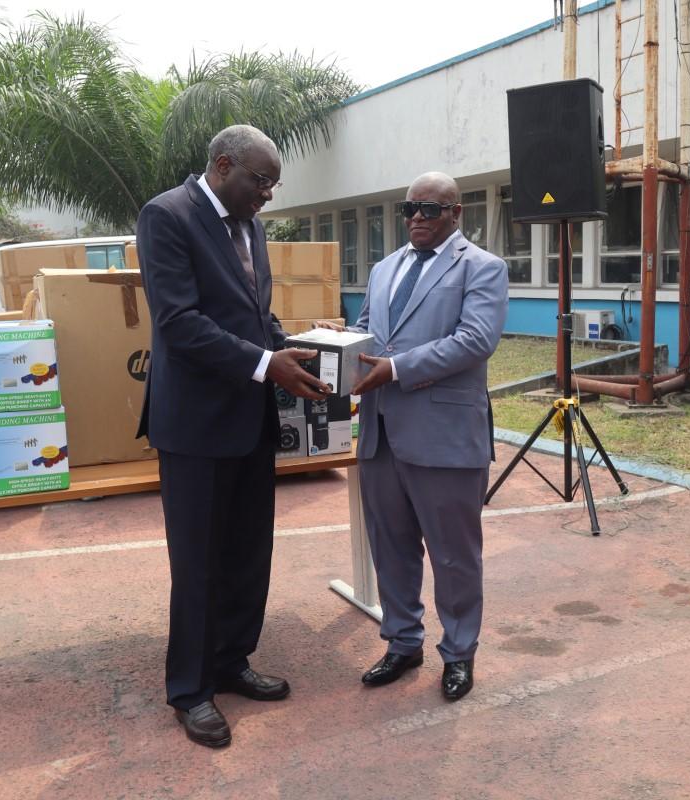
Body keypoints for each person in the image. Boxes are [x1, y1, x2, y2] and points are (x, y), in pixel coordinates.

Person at [136, 124, 328, 748]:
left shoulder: (251, 226)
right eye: (261, 181)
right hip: (195, 426)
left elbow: (252, 313)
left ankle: (231, 661)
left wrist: (293, 347)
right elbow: (179, 322)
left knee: (248, 552)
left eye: (273, 185)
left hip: (250, 419)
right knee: (198, 563)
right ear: (223, 166)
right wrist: (267, 364)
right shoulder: (167, 216)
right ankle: (191, 690)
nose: (268, 195)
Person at [318, 171, 507, 701]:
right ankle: (402, 642)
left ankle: (459, 652)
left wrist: (396, 368)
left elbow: (475, 340)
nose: (417, 218)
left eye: (430, 208)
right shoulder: (384, 269)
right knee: (391, 548)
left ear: (456, 213)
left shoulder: (482, 267)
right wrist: (341, 338)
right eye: (410, 209)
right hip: (380, 432)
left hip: (444, 436)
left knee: (454, 555)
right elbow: (371, 335)